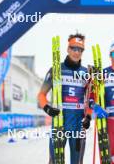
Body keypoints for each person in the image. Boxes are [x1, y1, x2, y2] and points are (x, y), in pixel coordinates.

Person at [37, 33, 93, 164]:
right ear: (68, 49)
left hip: (78, 126)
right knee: (55, 161)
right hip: (59, 124)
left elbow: (90, 99)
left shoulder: (86, 73)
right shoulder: (56, 69)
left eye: (80, 50)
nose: (76, 52)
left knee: (77, 161)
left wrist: (89, 117)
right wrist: (47, 108)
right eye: (74, 48)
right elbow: (41, 94)